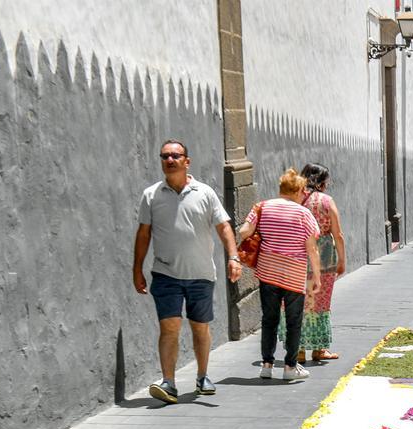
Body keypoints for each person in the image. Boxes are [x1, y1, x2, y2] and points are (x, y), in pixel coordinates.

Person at [133, 139, 239, 405]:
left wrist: (233, 257)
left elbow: (224, 227)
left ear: (186, 161)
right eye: (165, 156)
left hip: (201, 274)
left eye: (175, 156)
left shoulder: (204, 193)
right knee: (169, 326)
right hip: (165, 274)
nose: (170, 160)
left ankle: (202, 377)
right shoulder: (151, 195)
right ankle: (168, 382)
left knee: (200, 327)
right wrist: (137, 268)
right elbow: (144, 234)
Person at [238, 168, 321, 382]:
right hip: (294, 274)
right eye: (304, 192)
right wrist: (317, 277)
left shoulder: (262, 207)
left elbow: (243, 232)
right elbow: (311, 248)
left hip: (268, 272)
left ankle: (267, 364)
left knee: (269, 319)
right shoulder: (304, 214)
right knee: (294, 321)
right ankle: (290, 367)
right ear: (299, 190)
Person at [289, 163, 345, 363]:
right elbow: (338, 234)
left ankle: (300, 350)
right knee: (321, 302)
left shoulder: (296, 200)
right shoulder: (327, 201)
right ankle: (320, 349)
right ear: (321, 182)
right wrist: (342, 261)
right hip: (324, 259)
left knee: (301, 302)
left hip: (299, 257)